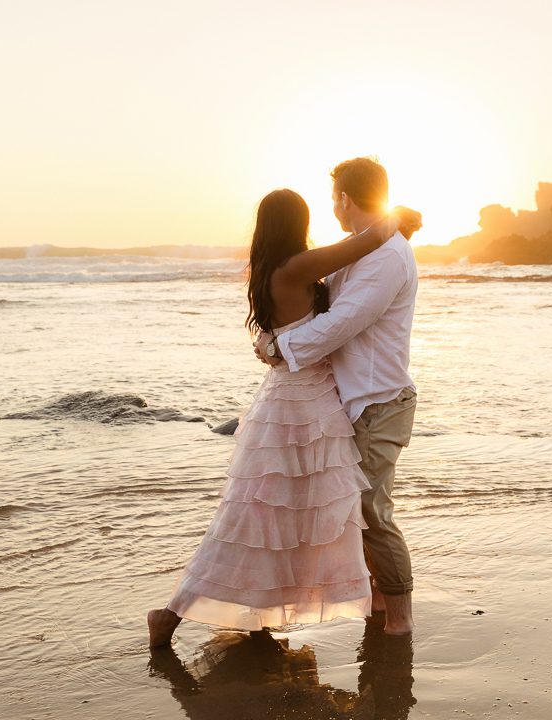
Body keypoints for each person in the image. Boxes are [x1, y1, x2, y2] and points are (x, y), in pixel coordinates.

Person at [147, 187, 420, 647]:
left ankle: (246, 611)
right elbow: (368, 242)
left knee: (270, 517)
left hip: (293, 401)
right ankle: (171, 614)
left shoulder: (272, 267)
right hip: (304, 405)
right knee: (265, 518)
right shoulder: (298, 266)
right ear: (297, 222)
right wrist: (399, 216)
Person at [255, 157, 420, 635]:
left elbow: (342, 322)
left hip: (379, 400)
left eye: (334, 199)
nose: (333, 207)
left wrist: (280, 348)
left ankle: (401, 617)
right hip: (355, 401)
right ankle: (382, 606)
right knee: (355, 509)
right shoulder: (363, 249)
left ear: (346, 199)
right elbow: (322, 302)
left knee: (370, 510)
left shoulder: (387, 257)